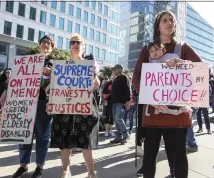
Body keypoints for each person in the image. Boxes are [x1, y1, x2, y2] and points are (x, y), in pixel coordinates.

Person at [132, 10, 203, 178]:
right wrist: (150, 99)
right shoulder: (147, 49)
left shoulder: (182, 48)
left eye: (172, 20)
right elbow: (136, 79)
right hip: (154, 112)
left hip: (177, 114)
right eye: (164, 20)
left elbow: (200, 69)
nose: (169, 23)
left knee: (179, 155)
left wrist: (183, 63)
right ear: (158, 25)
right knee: (149, 156)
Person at [49, 33, 100, 178]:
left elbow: (96, 85)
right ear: (70, 47)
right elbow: (55, 88)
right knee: (65, 141)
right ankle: (65, 171)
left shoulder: (91, 64)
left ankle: (91, 173)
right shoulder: (62, 66)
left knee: (86, 142)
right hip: (65, 108)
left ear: (82, 47)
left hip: (84, 108)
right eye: (73, 42)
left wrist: (94, 75)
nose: (76, 45)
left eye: (78, 42)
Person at [11, 35, 54, 178]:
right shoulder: (28, 60)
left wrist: (51, 74)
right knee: (24, 135)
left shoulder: (55, 64)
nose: (46, 45)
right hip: (26, 101)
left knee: (43, 136)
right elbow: (18, 78)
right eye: (44, 42)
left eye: (49, 43)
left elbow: (60, 84)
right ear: (39, 45)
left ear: (52, 47)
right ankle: (23, 166)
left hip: (44, 103)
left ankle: (39, 166)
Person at [110, 64, 131, 144]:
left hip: (120, 102)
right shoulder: (116, 79)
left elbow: (128, 89)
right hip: (115, 102)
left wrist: (128, 101)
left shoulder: (124, 77)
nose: (113, 71)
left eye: (114, 69)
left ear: (118, 70)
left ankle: (126, 135)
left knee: (118, 118)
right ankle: (119, 136)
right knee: (116, 119)